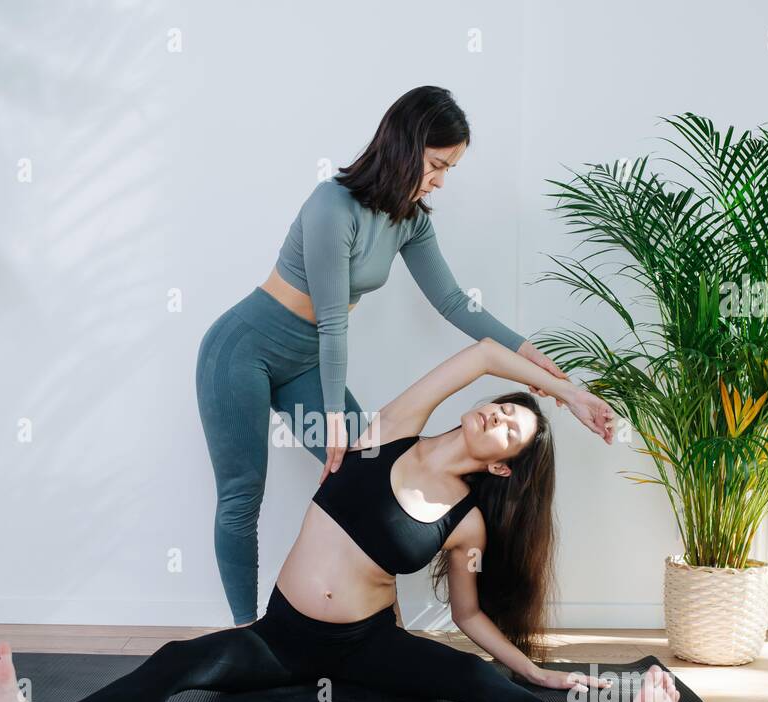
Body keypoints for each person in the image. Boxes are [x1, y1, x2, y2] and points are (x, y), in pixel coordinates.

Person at [0, 338, 681, 702]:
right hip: (280, 638)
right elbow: (485, 355)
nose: (496, 418)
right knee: (175, 661)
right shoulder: (390, 433)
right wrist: (570, 395)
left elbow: (467, 614)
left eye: (512, 432)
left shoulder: (469, 524)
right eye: (500, 409)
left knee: (470, 681)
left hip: (368, 646)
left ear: (503, 469)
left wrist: (526, 670)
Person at [195, 85, 574, 626]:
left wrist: (536, 362)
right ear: (405, 145)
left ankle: (378, 628)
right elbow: (332, 319)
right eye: (438, 164)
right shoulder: (332, 204)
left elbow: (454, 303)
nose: (441, 180)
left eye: (451, 169)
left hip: (306, 363)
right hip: (241, 350)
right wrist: (332, 418)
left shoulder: (412, 222)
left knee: (370, 469)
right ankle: (243, 634)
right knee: (241, 496)